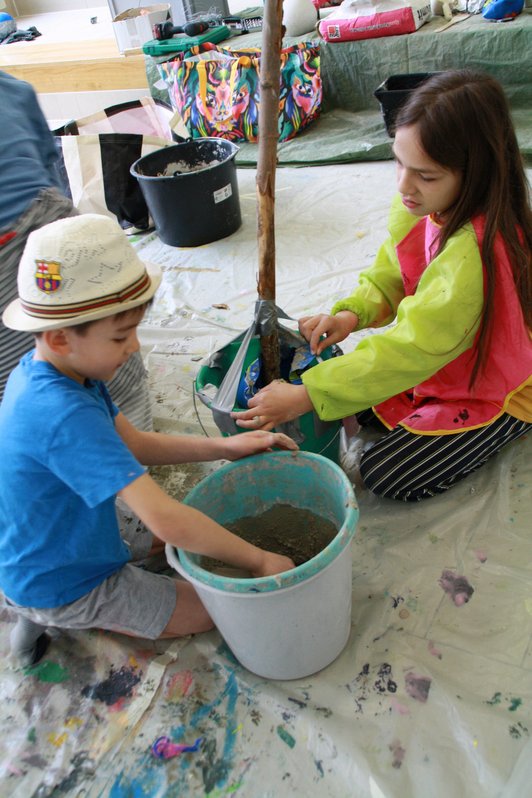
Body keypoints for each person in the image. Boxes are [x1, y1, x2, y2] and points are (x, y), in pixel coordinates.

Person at [0, 214, 297, 666]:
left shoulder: (65, 370)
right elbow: (165, 520)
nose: (135, 347)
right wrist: (257, 561)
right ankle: (48, 615)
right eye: (122, 335)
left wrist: (225, 446)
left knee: (189, 539)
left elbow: (134, 444)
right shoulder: (61, 414)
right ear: (61, 337)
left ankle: (33, 608)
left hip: (59, 539)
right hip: (67, 580)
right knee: (211, 608)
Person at [233, 69, 532, 501]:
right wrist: (353, 312)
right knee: (349, 397)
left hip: (497, 384)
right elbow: (395, 267)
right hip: (442, 353)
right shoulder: (425, 203)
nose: (403, 185)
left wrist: (307, 395)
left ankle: (509, 424)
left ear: (477, 174)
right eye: (398, 161)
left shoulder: (477, 256)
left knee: (383, 471)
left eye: (425, 175)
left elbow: (412, 348)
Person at [0, 70, 152, 429]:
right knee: (55, 398)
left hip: (44, 231)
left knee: (102, 361)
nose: (135, 346)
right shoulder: (13, 88)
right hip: (39, 229)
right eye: (124, 336)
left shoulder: (13, 90)